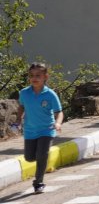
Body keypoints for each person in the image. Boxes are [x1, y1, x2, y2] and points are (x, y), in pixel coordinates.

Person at [15, 63, 63, 194]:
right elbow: (21, 107)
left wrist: (58, 123)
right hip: (30, 130)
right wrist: (18, 120)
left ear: (45, 77)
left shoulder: (50, 94)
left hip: (46, 129)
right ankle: (42, 157)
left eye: (38, 75)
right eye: (31, 76)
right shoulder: (24, 93)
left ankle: (38, 182)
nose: (34, 78)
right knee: (29, 158)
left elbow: (59, 112)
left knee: (41, 155)